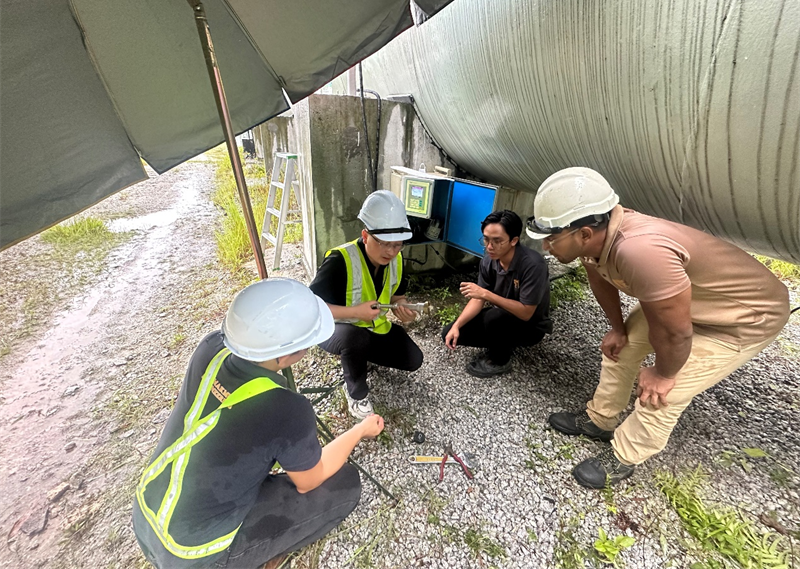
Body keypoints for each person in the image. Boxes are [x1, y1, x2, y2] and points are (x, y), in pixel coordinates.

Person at [527, 167, 790, 489]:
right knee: (619, 349)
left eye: (552, 239)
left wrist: (663, 373)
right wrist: (618, 328)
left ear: (583, 234)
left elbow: (675, 333)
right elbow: (599, 278)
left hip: (743, 319)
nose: (546, 248)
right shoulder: (596, 238)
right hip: (688, 306)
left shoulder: (640, 251)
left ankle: (625, 455)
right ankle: (600, 419)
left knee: (666, 391)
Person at [132, 278, 384, 568]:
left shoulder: (210, 347)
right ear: (286, 354)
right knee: (345, 483)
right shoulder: (287, 408)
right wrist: (360, 430)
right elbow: (310, 480)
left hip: (145, 515)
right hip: (194, 556)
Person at [309, 190, 423, 419]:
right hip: (333, 329)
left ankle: (357, 359)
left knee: (413, 360)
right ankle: (356, 394)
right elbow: (311, 309)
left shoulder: (396, 260)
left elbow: (396, 295)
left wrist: (403, 308)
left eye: (398, 245)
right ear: (365, 235)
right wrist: (355, 313)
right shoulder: (340, 260)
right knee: (355, 338)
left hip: (372, 328)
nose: (391, 252)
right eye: (384, 244)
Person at [442, 210, 552, 377]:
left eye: (497, 241)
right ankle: (502, 341)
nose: (489, 247)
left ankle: (500, 360)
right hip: (500, 318)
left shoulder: (533, 265)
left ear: (514, 240)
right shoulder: (489, 260)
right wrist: (457, 325)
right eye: (486, 239)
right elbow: (477, 299)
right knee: (448, 333)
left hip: (530, 327)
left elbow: (526, 313)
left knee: (494, 318)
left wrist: (486, 294)